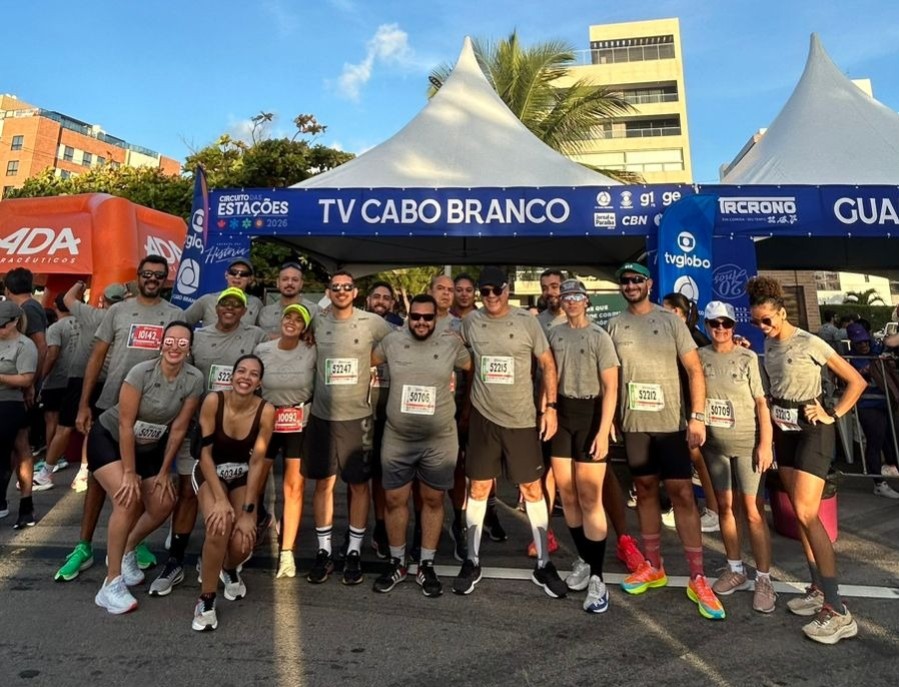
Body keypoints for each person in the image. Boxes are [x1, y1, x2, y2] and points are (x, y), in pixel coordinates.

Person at [747, 276, 865, 644]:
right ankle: (817, 588)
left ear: (782, 313)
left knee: (807, 513)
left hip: (813, 426)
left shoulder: (810, 341)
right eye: (757, 322)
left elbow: (856, 381)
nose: (762, 326)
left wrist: (833, 413)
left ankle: (838, 609)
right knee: (797, 513)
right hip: (785, 428)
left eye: (767, 320)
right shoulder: (768, 343)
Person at [607, 262, 725, 621]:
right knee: (643, 489)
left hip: (672, 423)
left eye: (636, 280)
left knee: (682, 493)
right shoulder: (615, 324)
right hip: (634, 424)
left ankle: (697, 576)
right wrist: (612, 418)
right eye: (624, 281)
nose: (630, 285)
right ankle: (653, 565)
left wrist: (698, 416)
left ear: (648, 283)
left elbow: (694, 370)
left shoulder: (670, 321)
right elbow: (609, 375)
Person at [57, 256, 183, 582]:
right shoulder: (118, 311)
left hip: (151, 413)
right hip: (109, 406)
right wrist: (84, 404)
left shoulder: (175, 315)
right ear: (137, 277)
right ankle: (83, 546)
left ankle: (133, 543)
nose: (152, 279)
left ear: (165, 280)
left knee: (139, 481)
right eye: (147, 274)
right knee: (100, 483)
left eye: (158, 275)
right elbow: (96, 356)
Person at [453, 266, 567, 598]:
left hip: (521, 420)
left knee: (532, 489)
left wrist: (551, 408)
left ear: (507, 290)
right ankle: (472, 560)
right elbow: (450, 343)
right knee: (478, 488)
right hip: (484, 420)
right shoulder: (470, 322)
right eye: (484, 292)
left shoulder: (527, 322)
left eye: (496, 291)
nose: (490, 297)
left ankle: (544, 563)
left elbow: (547, 363)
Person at [150, 287, 268, 596]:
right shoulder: (198, 337)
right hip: (199, 425)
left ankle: (215, 563)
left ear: (245, 311)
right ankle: (175, 560)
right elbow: (172, 355)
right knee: (188, 495)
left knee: (228, 504)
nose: (230, 308)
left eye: (236, 305)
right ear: (215, 308)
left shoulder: (255, 335)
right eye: (224, 304)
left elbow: (284, 343)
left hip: (235, 435)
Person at [90, 321, 203, 614]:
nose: (175, 347)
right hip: (111, 439)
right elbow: (126, 425)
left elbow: (178, 429)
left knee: (165, 502)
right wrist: (129, 473)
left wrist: (165, 470)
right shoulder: (140, 372)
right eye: (170, 340)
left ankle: (127, 548)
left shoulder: (194, 378)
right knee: (127, 500)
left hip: (151, 447)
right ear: (160, 343)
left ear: (190, 348)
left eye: (182, 342)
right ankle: (110, 583)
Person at [370, 294, 472, 597]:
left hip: (439, 438)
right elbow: (363, 357)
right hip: (398, 437)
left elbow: (474, 367)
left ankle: (426, 564)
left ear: (435, 318)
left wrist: (466, 411)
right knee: (394, 500)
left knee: (432, 500)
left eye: (428, 317)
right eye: (416, 316)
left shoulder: (451, 343)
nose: (422, 322)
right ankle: (398, 562)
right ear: (408, 316)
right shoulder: (392, 341)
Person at [304, 271, 393, 585]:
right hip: (322, 416)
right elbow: (292, 331)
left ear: (356, 292)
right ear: (329, 291)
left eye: (347, 286)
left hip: (358, 417)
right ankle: (324, 550)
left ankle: (354, 548)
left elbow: (401, 339)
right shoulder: (318, 318)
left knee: (358, 485)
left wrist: (374, 359)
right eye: (335, 287)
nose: (341, 291)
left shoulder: (371, 322)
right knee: (323, 485)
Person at [698, 301, 777, 613]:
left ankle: (764, 578)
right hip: (715, 445)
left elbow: (761, 403)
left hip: (748, 443)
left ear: (733, 326)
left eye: (726, 324)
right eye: (714, 324)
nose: (720, 329)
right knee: (725, 509)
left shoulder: (747, 357)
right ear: (706, 326)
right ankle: (735, 569)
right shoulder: (699, 358)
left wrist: (766, 444)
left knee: (754, 511)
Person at [548, 279, 620, 613]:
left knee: (591, 496)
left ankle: (598, 577)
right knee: (568, 494)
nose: (572, 301)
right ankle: (583, 559)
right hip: (562, 413)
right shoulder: (555, 332)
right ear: (561, 301)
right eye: (567, 296)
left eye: (578, 296)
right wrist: (545, 411)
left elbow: (611, 388)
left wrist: (603, 431)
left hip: (591, 415)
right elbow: (547, 377)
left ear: (587, 301)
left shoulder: (599, 337)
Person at [191, 354, 275, 631]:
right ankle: (206, 599)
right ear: (232, 375)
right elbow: (203, 454)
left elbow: (257, 463)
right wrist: (220, 500)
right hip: (210, 472)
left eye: (253, 374)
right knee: (219, 524)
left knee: (243, 541)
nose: (246, 377)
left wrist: (249, 512)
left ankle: (225, 567)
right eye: (241, 371)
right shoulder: (214, 401)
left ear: (259, 382)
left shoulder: (266, 411)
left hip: (241, 475)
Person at [39, 282, 129, 497]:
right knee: (95, 428)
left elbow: (68, 298)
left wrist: (80, 284)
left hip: (81, 376)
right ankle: (83, 472)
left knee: (65, 427)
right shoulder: (124, 318)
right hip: (109, 379)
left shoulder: (91, 313)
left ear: (103, 300)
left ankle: (46, 472)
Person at [254, 304, 317, 578]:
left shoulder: (313, 350)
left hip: (298, 421)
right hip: (268, 419)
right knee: (254, 481)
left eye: (298, 320)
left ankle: (287, 551)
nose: (292, 322)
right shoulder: (262, 350)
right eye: (288, 317)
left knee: (294, 487)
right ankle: (251, 526)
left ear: (305, 328)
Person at [661, 291, 719, 534]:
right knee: (688, 459)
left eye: (671, 310)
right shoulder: (670, 339)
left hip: (693, 408)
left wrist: (697, 413)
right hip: (676, 406)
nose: (666, 315)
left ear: (682, 313)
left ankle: (714, 511)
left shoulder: (694, 338)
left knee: (698, 458)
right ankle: (688, 505)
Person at [0, 268, 47, 529]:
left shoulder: (28, 317)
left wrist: (33, 386)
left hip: (16, 399)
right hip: (13, 396)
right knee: (13, 448)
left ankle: (25, 505)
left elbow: (40, 348)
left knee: (19, 446)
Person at [364, 281, 403, 559]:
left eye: (385, 298)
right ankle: (363, 527)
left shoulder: (402, 327)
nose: (380, 300)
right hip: (361, 406)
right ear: (367, 300)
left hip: (391, 405)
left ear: (392, 303)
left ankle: (384, 526)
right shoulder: (357, 324)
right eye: (376, 296)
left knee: (385, 471)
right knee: (360, 474)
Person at [845, 323, 899, 496]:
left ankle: (890, 469)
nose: (864, 345)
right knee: (875, 442)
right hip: (868, 405)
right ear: (852, 342)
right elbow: (850, 381)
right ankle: (878, 483)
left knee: (892, 442)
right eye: (859, 343)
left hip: (886, 403)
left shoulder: (876, 349)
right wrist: (865, 372)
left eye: (865, 341)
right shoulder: (850, 359)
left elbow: (889, 343)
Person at [0, 302, 38, 523]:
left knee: (19, 447)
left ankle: (26, 502)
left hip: (10, 401)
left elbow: (27, 378)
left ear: (14, 322)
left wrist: (2, 378)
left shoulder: (24, 345)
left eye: (3, 326)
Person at [33, 294, 75, 491]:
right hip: (76, 378)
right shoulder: (83, 323)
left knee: (52, 421)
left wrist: (42, 376)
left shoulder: (56, 328)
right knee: (68, 423)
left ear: (56, 307)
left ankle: (52, 457)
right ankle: (61, 456)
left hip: (56, 379)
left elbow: (52, 354)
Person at [183, 258, 263, 327]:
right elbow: (182, 321)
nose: (237, 276)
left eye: (244, 274)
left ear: (250, 279)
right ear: (226, 275)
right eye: (233, 272)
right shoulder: (207, 300)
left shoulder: (256, 304)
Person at [257, 262, 321, 336]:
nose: (290, 283)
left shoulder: (314, 311)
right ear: (278, 282)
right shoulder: (265, 312)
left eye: (295, 280)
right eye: (285, 279)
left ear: (301, 284)